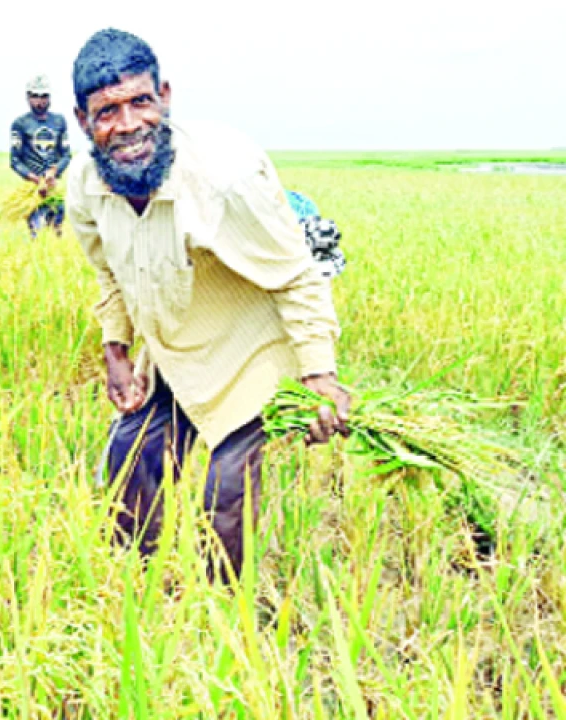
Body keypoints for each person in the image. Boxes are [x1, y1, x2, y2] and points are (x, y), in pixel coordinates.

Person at [65, 29, 351, 581]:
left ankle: (226, 617)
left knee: (224, 493)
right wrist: (116, 347)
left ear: (165, 96)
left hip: (249, 350)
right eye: (107, 112)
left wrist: (319, 375)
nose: (127, 127)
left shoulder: (225, 175)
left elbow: (296, 273)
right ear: (82, 120)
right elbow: (109, 269)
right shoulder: (84, 185)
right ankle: (136, 594)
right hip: (173, 345)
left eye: (140, 102)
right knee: (131, 464)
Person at [10, 74, 73, 238]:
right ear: (28, 98)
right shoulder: (20, 124)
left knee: (57, 233)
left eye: (44, 96)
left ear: (50, 97)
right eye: (35, 96)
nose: (40, 101)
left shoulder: (59, 121)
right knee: (36, 235)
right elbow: (15, 161)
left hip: (53, 189)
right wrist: (36, 179)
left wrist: (53, 173)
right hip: (34, 192)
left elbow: (66, 154)